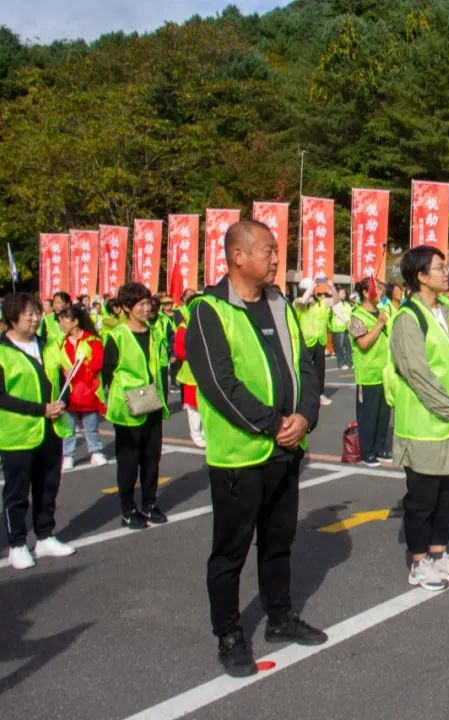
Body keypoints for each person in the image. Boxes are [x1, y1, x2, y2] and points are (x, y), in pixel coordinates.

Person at [186, 220, 325, 677]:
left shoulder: (280, 303)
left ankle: (280, 616)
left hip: (286, 449)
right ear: (237, 256)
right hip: (240, 456)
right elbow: (219, 384)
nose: (275, 257)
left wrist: (304, 416)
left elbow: (305, 363)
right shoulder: (210, 311)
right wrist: (273, 425)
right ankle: (228, 633)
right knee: (230, 552)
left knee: (279, 541)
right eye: (267, 250)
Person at [388, 246, 449, 591]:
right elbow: (417, 373)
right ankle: (418, 560)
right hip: (426, 426)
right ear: (421, 277)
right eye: (439, 268)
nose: (448, 273)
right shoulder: (407, 319)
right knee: (422, 499)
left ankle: (439, 552)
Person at [1, 293, 75, 569]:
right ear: (11, 318)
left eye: (36, 313)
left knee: (47, 487)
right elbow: (2, 397)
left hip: (50, 429)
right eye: (28, 314)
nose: (34, 319)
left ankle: (44, 535)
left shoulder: (46, 344)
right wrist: (40, 409)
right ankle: (17, 543)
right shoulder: (2, 351)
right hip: (18, 433)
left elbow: (62, 378)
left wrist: (63, 401)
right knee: (17, 492)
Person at [103, 282, 169, 530]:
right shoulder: (117, 336)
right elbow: (107, 371)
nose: (146, 307)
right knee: (129, 460)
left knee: (152, 458)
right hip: (128, 407)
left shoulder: (153, 331)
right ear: (127, 308)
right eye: (140, 304)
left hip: (152, 401)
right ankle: (128, 509)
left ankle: (149, 504)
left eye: (147, 302)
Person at [56, 305, 107, 469]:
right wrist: (64, 371)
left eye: (64, 319)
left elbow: (97, 363)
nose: (61, 323)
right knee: (68, 427)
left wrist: (82, 369)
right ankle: (68, 455)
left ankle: (96, 451)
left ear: (75, 321)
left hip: (88, 389)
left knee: (91, 425)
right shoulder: (61, 342)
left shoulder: (92, 340)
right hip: (69, 390)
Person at [349, 278, 393, 467]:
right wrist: (379, 324)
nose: (381, 293)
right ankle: (367, 452)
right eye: (377, 289)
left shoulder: (383, 312)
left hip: (385, 373)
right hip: (368, 375)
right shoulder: (356, 316)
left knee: (384, 414)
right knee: (368, 416)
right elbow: (364, 344)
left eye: (382, 289)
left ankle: (380, 448)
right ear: (366, 293)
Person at [173, 298, 206, 448]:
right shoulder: (184, 326)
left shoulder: (206, 323)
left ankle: (206, 432)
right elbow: (180, 351)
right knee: (193, 406)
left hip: (206, 371)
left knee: (207, 403)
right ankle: (196, 434)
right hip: (191, 373)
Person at [295, 279, 334, 406]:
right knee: (304, 369)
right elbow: (303, 302)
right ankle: (302, 395)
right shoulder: (298, 303)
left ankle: (319, 394)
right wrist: (311, 287)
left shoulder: (321, 303)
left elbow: (336, 300)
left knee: (320, 370)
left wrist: (331, 286)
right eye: (308, 290)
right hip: (306, 341)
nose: (312, 293)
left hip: (320, 340)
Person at [330, 288, 353, 371]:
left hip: (347, 327)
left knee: (349, 346)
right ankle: (341, 363)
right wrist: (346, 320)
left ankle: (349, 363)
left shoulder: (347, 304)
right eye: (342, 293)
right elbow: (339, 313)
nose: (344, 294)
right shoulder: (335, 303)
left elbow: (350, 314)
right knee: (339, 347)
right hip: (338, 328)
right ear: (338, 294)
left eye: (344, 293)